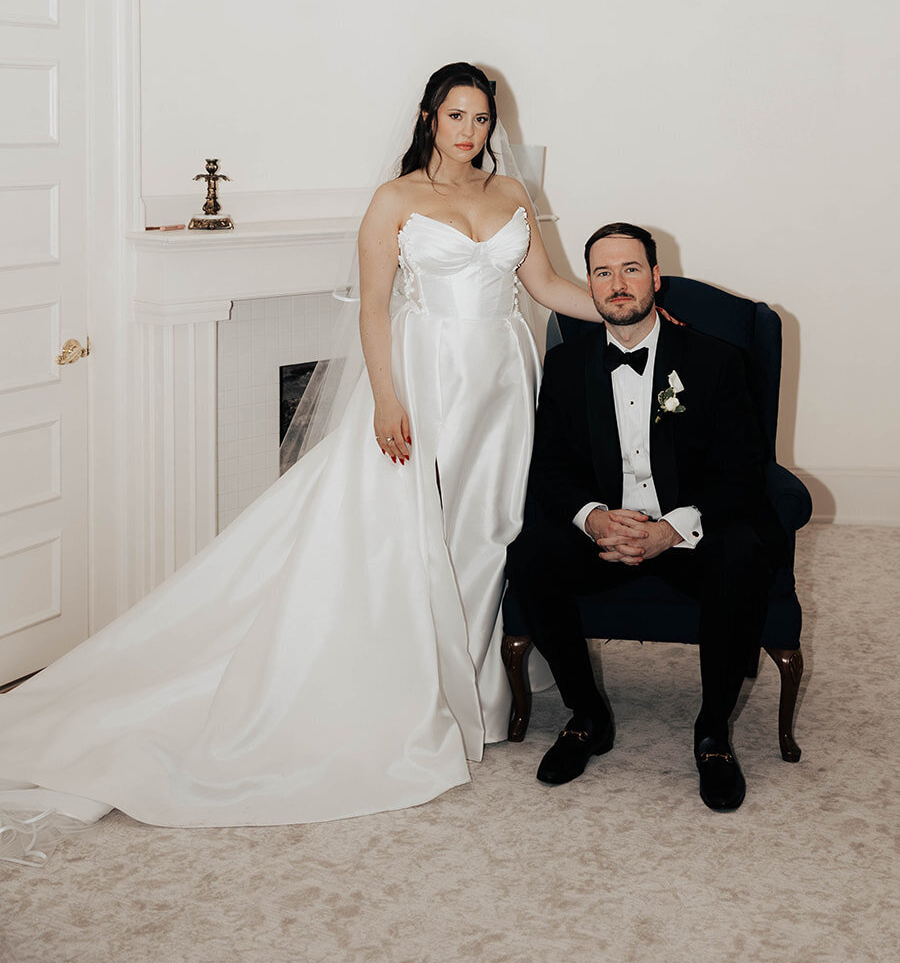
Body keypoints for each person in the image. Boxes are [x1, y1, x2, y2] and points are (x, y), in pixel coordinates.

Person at [0, 62, 601, 844]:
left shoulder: (510, 192)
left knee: (484, 533)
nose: (469, 131)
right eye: (456, 115)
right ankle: (415, 690)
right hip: (427, 380)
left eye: (481, 118)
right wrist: (386, 398)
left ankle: (477, 694)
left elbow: (548, 286)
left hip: (502, 383)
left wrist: (634, 307)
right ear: (429, 117)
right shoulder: (395, 200)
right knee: (411, 535)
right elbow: (374, 308)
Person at [506, 222, 785, 812]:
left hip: (686, 533)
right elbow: (549, 467)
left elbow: (742, 469)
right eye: (603, 272)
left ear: (655, 278)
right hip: (606, 535)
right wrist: (593, 519)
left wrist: (669, 530)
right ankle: (587, 716)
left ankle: (712, 735)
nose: (618, 283)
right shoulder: (565, 364)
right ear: (589, 286)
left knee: (743, 552)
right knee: (530, 555)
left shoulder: (717, 361)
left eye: (631, 269)